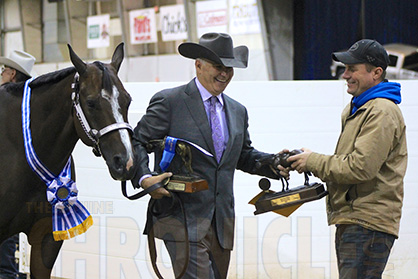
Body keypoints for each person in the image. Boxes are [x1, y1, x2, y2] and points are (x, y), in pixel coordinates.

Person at [131, 32, 289, 278]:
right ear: (198, 65)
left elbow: (244, 155)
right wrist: (144, 179)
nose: (225, 74)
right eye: (218, 66)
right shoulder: (169, 102)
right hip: (180, 218)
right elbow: (137, 141)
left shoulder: (238, 111)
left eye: (230, 68)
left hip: (222, 225)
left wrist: (274, 163)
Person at [288, 39, 407, 279]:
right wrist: (309, 159)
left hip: (367, 223)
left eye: (353, 69)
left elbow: (360, 167)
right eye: (345, 68)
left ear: (376, 73)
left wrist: (312, 161)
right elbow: (353, 162)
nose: (345, 75)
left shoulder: (381, 111)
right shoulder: (360, 108)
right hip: (358, 220)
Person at [0, 50, 35, 279]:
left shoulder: (4, 103)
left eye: (4, 70)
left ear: (12, 74)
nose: (1, 74)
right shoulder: (29, 106)